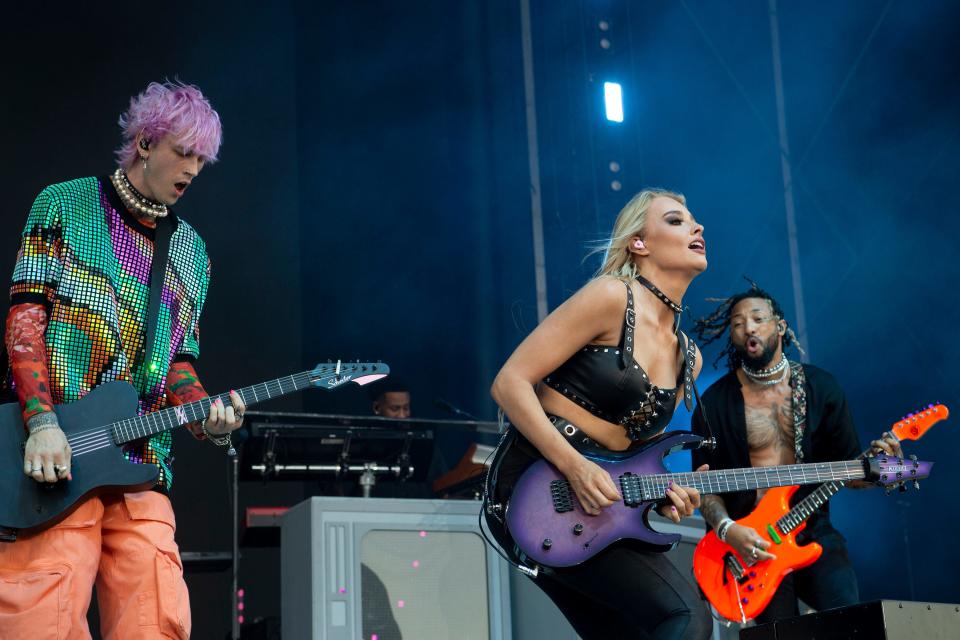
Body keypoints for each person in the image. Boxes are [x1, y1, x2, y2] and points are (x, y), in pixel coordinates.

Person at [0, 80, 245, 639]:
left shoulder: (192, 252)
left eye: (202, 159)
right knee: (42, 618)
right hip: (54, 460)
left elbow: (178, 362)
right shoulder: (63, 203)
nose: (193, 169)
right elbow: (24, 323)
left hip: (139, 466)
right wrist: (40, 423)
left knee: (156, 620)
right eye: (183, 152)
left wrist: (206, 416)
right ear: (144, 142)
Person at [485, 189, 712, 639]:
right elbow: (509, 382)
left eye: (694, 220)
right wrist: (574, 465)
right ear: (639, 243)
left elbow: (636, 457)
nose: (697, 227)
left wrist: (664, 496)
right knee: (687, 616)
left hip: (597, 507)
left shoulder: (691, 357)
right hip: (537, 483)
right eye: (676, 220)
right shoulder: (611, 297)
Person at [691, 281, 902, 623]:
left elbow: (853, 476)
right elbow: (705, 486)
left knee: (850, 623)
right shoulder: (713, 404)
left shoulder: (822, 388)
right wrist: (729, 529)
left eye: (757, 318)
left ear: (780, 326)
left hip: (812, 529)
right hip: (751, 544)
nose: (748, 328)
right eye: (738, 323)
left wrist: (878, 468)